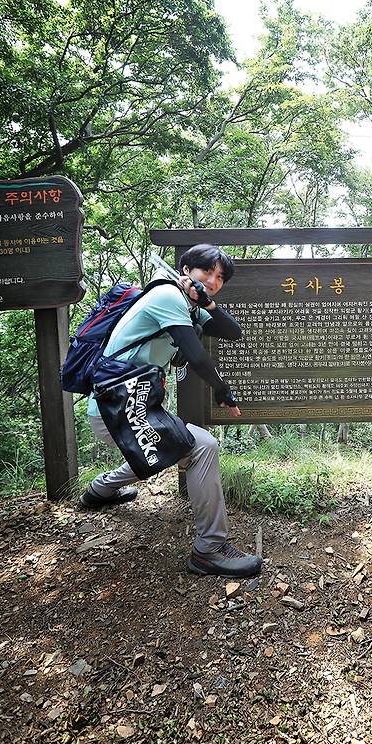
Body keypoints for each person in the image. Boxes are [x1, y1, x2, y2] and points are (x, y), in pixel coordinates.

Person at [79, 243, 262, 580]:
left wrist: (206, 302)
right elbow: (196, 356)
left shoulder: (191, 307)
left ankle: (99, 490)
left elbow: (233, 332)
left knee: (169, 445)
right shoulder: (168, 297)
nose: (213, 281)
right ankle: (209, 551)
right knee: (201, 446)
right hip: (114, 408)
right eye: (206, 272)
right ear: (186, 270)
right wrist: (222, 390)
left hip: (130, 405)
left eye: (220, 278)